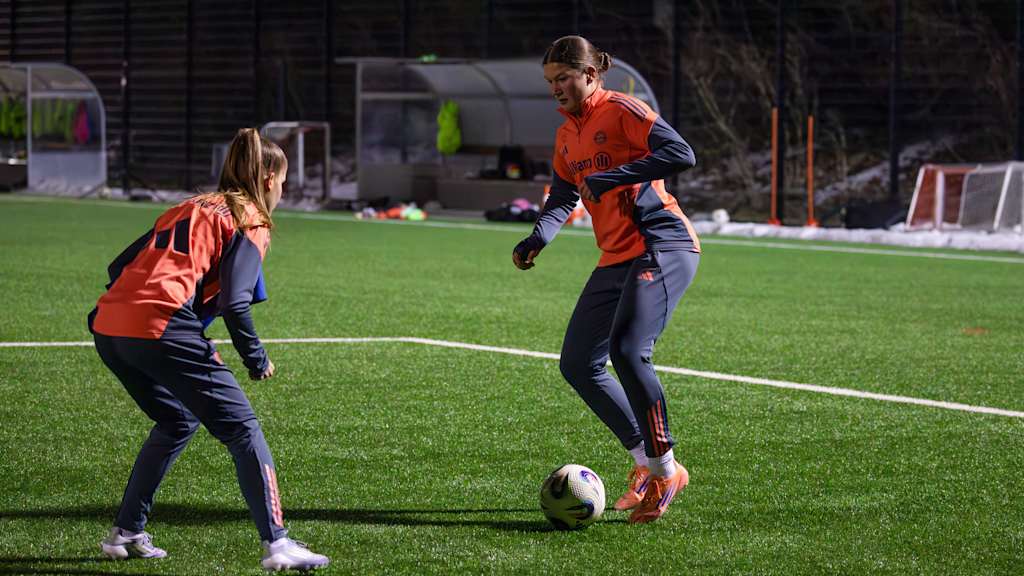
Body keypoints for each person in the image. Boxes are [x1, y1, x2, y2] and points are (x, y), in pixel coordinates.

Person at [88, 128, 329, 571]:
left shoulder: (189, 205)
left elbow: (119, 266)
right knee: (243, 429)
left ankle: (126, 532)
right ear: (271, 177)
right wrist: (256, 359)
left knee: (177, 420)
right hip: (158, 323)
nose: (284, 190)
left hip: (108, 324)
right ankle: (278, 544)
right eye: (285, 181)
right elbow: (234, 301)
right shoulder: (250, 217)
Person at [513, 36, 701, 524]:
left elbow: (682, 153)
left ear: (591, 75)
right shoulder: (566, 134)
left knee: (627, 350)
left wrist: (617, 176)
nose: (556, 89)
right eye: (550, 81)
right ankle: (643, 461)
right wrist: (538, 237)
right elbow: (561, 195)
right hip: (616, 256)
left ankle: (666, 470)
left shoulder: (623, 110)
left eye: (564, 79)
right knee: (578, 363)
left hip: (663, 244)